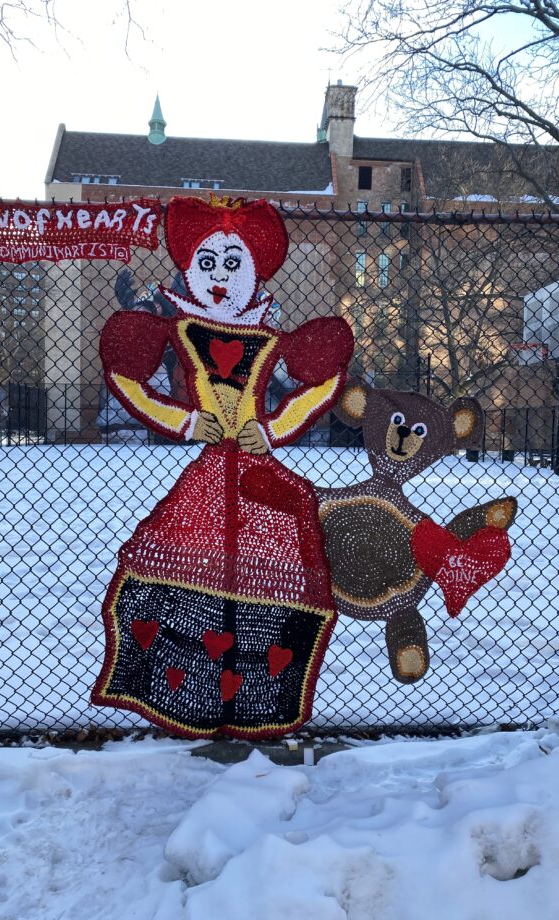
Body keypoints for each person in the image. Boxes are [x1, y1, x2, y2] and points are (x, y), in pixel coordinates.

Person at [91, 194, 353, 739]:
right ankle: (192, 699)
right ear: (188, 268)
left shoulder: (270, 340)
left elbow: (324, 379)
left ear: (254, 271)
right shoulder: (176, 331)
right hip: (208, 482)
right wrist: (184, 423)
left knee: (269, 587)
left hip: (257, 480)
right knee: (188, 585)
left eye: (233, 264)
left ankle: (257, 700)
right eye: (207, 263)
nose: (218, 276)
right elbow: (124, 376)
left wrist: (274, 428)